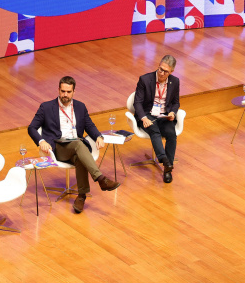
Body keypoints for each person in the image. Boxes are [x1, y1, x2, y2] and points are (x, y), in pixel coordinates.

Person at [28, 76, 120, 214]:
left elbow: (89, 125)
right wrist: (42, 141)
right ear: (58, 90)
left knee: (79, 156)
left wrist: (99, 137)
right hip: (58, 147)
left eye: (68, 92)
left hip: (77, 146)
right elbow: (31, 128)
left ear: (73, 92)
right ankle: (101, 179)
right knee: (78, 144)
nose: (65, 95)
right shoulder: (46, 107)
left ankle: (81, 196)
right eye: (63, 91)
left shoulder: (80, 107)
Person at [133, 55, 180, 183]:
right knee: (154, 130)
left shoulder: (175, 82)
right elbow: (137, 102)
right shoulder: (145, 79)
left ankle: (167, 170)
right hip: (148, 114)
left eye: (166, 71)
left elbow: (176, 103)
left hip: (163, 115)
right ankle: (165, 161)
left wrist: (172, 113)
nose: (162, 73)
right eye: (160, 69)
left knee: (171, 134)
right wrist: (143, 118)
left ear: (171, 72)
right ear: (158, 66)